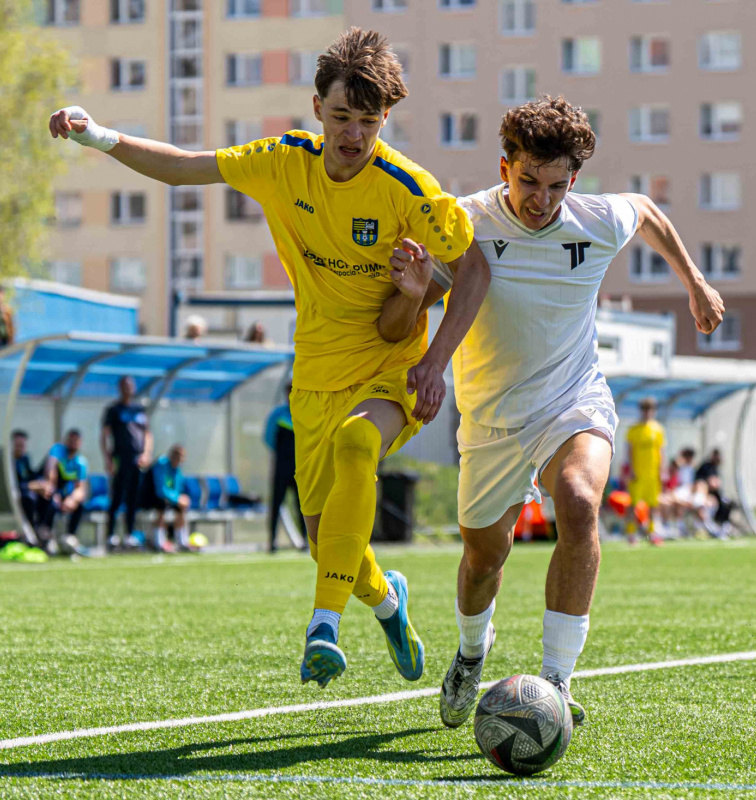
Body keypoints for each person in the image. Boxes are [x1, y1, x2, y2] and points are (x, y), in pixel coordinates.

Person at [49, 27, 491, 688]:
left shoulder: (408, 188)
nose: (353, 134)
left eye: (368, 122)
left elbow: (475, 273)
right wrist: (97, 136)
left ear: (385, 120)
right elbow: (182, 166)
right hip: (315, 371)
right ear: (316, 108)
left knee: (356, 448)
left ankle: (323, 627)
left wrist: (434, 363)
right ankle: (390, 602)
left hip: (390, 367)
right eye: (341, 117)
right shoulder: (281, 162)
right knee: (325, 541)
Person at [378, 96, 724, 727]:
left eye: (556, 185)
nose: (541, 200)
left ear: (575, 180)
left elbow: (647, 212)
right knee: (485, 558)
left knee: (579, 498)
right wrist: (413, 294)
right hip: (488, 420)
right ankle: (470, 654)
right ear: (504, 166)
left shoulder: (594, 220)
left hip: (573, 400)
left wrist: (696, 282)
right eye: (528, 182)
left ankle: (556, 682)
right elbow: (402, 318)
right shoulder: (464, 221)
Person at [100, 376, 152, 549]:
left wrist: (146, 453)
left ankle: (130, 534)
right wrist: (108, 459)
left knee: (133, 499)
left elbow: (147, 434)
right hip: (120, 459)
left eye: (130, 385)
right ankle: (111, 536)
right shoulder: (113, 410)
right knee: (116, 498)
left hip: (138, 461)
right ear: (120, 388)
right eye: (124, 385)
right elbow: (104, 436)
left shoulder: (140, 409)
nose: (128, 388)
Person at [264, 383, 306, 552]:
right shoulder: (277, 414)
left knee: (303, 506)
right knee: (276, 504)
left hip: (300, 468)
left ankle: (305, 541)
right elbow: (268, 438)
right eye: (289, 391)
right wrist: (283, 456)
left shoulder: (304, 414)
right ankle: (272, 542)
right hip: (281, 467)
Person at [38, 429, 90, 555]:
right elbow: (50, 471)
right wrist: (54, 491)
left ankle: (70, 537)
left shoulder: (80, 462)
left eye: (76, 440)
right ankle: (46, 537)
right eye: (71, 439)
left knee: (80, 503)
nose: (73, 443)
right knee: (50, 498)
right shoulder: (57, 450)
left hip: (64, 494)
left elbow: (81, 488)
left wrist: (72, 499)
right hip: (48, 490)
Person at [626, 397, 666, 544]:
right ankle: (631, 534)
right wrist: (631, 469)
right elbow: (629, 451)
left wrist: (662, 471)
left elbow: (661, 452)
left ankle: (652, 534)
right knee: (633, 505)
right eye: (644, 409)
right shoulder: (633, 430)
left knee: (653, 505)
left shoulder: (658, 429)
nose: (647, 412)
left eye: (650, 409)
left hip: (653, 474)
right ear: (640, 411)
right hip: (638, 473)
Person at [141, 445, 191, 552]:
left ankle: (182, 541)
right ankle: (159, 542)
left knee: (180, 508)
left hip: (166, 497)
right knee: (161, 505)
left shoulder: (177, 469)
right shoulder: (161, 464)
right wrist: (177, 498)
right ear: (172, 456)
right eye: (179, 457)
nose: (180, 461)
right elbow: (161, 489)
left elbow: (177, 488)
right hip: (147, 496)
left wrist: (181, 499)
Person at [12, 430, 43, 535]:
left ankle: (42, 531)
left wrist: (41, 483)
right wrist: (29, 486)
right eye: (18, 445)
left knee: (49, 498)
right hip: (15, 497)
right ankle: (30, 532)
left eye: (23, 446)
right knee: (29, 497)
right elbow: (11, 485)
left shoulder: (25, 458)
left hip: (26, 492)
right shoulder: (7, 461)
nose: (20, 448)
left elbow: (30, 475)